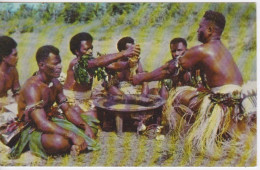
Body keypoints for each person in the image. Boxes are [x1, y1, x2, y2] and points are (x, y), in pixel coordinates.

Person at [133, 10, 256, 156]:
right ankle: (217, 129)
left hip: (226, 103)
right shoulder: (222, 49)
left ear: (210, 30)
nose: (197, 30)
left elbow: (168, 69)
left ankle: (214, 130)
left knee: (178, 95)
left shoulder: (203, 50)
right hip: (236, 101)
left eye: (200, 27)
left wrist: (141, 78)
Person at [9, 45, 100, 159]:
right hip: (32, 128)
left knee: (91, 124)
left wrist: (85, 126)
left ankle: (76, 144)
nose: (60, 67)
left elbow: (67, 109)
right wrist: (71, 134)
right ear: (41, 65)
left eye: (60, 63)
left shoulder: (55, 82)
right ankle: (73, 144)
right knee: (60, 142)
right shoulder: (32, 87)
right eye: (55, 64)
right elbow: (41, 123)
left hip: (49, 121)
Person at [63, 32, 140, 115]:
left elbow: (114, 65)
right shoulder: (76, 63)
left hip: (86, 100)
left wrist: (129, 63)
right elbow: (98, 62)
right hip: (72, 101)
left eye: (91, 48)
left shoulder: (92, 61)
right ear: (77, 52)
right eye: (86, 49)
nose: (90, 51)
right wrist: (124, 53)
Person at [0, 36, 20, 126]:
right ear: (4, 57)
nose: (18, 58)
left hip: (6, 108)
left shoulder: (13, 71)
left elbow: (17, 92)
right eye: (14, 55)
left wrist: (19, 106)